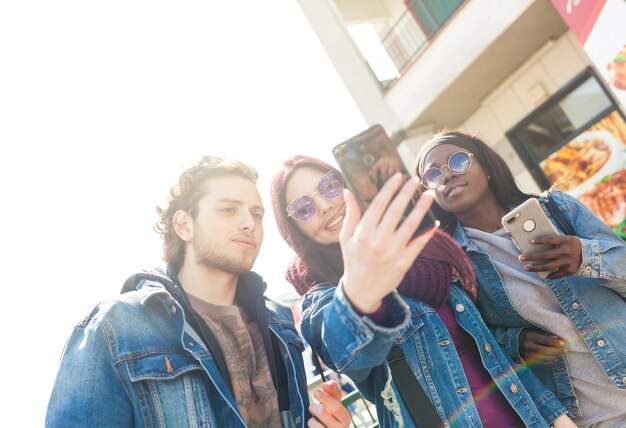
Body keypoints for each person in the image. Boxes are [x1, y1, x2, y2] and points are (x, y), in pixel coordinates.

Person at [46, 156, 352, 428]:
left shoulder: (281, 326)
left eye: (256, 214)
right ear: (184, 225)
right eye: (228, 209)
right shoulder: (116, 327)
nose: (249, 224)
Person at [270, 155, 576, 427]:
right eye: (303, 208)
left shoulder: (423, 251)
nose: (324, 206)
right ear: (293, 228)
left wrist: (556, 417)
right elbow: (348, 353)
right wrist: (359, 287)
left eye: (329, 187)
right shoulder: (324, 298)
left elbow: (487, 352)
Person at [415, 130, 626, 427]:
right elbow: (479, 343)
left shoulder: (558, 209)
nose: (447, 175)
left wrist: (585, 256)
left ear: (486, 168)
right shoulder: (454, 267)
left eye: (458, 161)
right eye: (433, 175)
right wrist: (517, 341)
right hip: (591, 418)